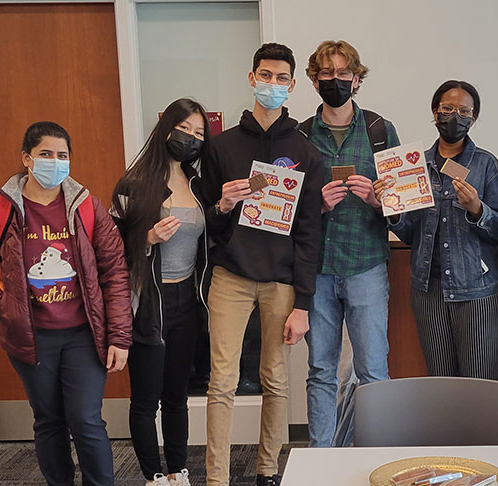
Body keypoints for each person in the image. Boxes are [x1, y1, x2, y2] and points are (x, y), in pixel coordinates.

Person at [0, 121, 131, 486]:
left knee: (85, 419)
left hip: (84, 333)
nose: (55, 162)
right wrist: (3, 304)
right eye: (46, 154)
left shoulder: (88, 207)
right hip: (31, 336)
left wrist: (120, 337)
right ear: (27, 158)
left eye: (62, 155)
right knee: (48, 420)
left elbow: (115, 273)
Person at [201, 43, 323, 486]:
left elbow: (311, 234)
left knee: (275, 379)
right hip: (230, 277)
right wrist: (223, 205)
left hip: (281, 282)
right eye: (265, 75)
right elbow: (210, 223)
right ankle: (216, 477)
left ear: (292, 86)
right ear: (252, 78)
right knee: (222, 381)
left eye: (281, 78)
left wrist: (303, 302)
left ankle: (268, 471)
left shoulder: (307, 155)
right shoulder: (221, 147)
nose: (272, 84)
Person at [298, 40, 400, 448]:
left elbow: (402, 200)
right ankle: (321, 459)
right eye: (327, 74)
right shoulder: (300, 134)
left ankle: (380, 454)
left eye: (344, 74)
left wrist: (379, 200)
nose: (335, 81)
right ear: (314, 78)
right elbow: (285, 207)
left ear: (357, 79)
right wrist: (316, 206)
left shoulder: (379, 130)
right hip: (317, 268)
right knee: (320, 370)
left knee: (373, 370)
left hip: (367, 264)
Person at [380, 80, 498, 379]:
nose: (455, 116)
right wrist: (391, 210)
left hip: (477, 291)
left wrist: (478, 209)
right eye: (448, 109)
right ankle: (447, 429)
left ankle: (479, 430)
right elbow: (412, 234)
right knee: (441, 381)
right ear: (434, 112)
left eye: (464, 111)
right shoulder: (415, 167)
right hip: (428, 289)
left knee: (480, 382)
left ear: (474, 117)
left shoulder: (487, 166)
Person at [112, 98, 212, 486]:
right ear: (166, 128)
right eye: (184, 129)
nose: (190, 138)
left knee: (177, 396)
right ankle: (153, 476)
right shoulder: (133, 184)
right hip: (147, 303)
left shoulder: (198, 184)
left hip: (187, 300)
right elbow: (108, 250)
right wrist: (148, 238)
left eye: (199, 133)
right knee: (145, 399)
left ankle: (177, 470)